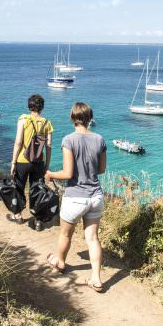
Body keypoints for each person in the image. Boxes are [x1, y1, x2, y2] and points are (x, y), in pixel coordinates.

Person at [45, 102, 107, 292]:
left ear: (72, 118)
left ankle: (60, 262)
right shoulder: (100, 139)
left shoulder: (69, 140)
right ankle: (96, 279)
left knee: (65, 234)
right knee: (93, 238)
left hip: (75, 197)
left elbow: (67, 173)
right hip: (95, 196)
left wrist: (49, 174)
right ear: (90, 118)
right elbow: (101, 169)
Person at [8, 94, 54, 227]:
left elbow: (18, 142)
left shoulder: (23, 119)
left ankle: (18, 215)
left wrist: (13, 162)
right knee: (37, 189)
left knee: (18, 186)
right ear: (42, 107)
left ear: (30, 106)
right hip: (39, 162)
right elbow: (49, 146)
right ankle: (38, 220)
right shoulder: (47, 123)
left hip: (23, 160)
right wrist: (47, 164)